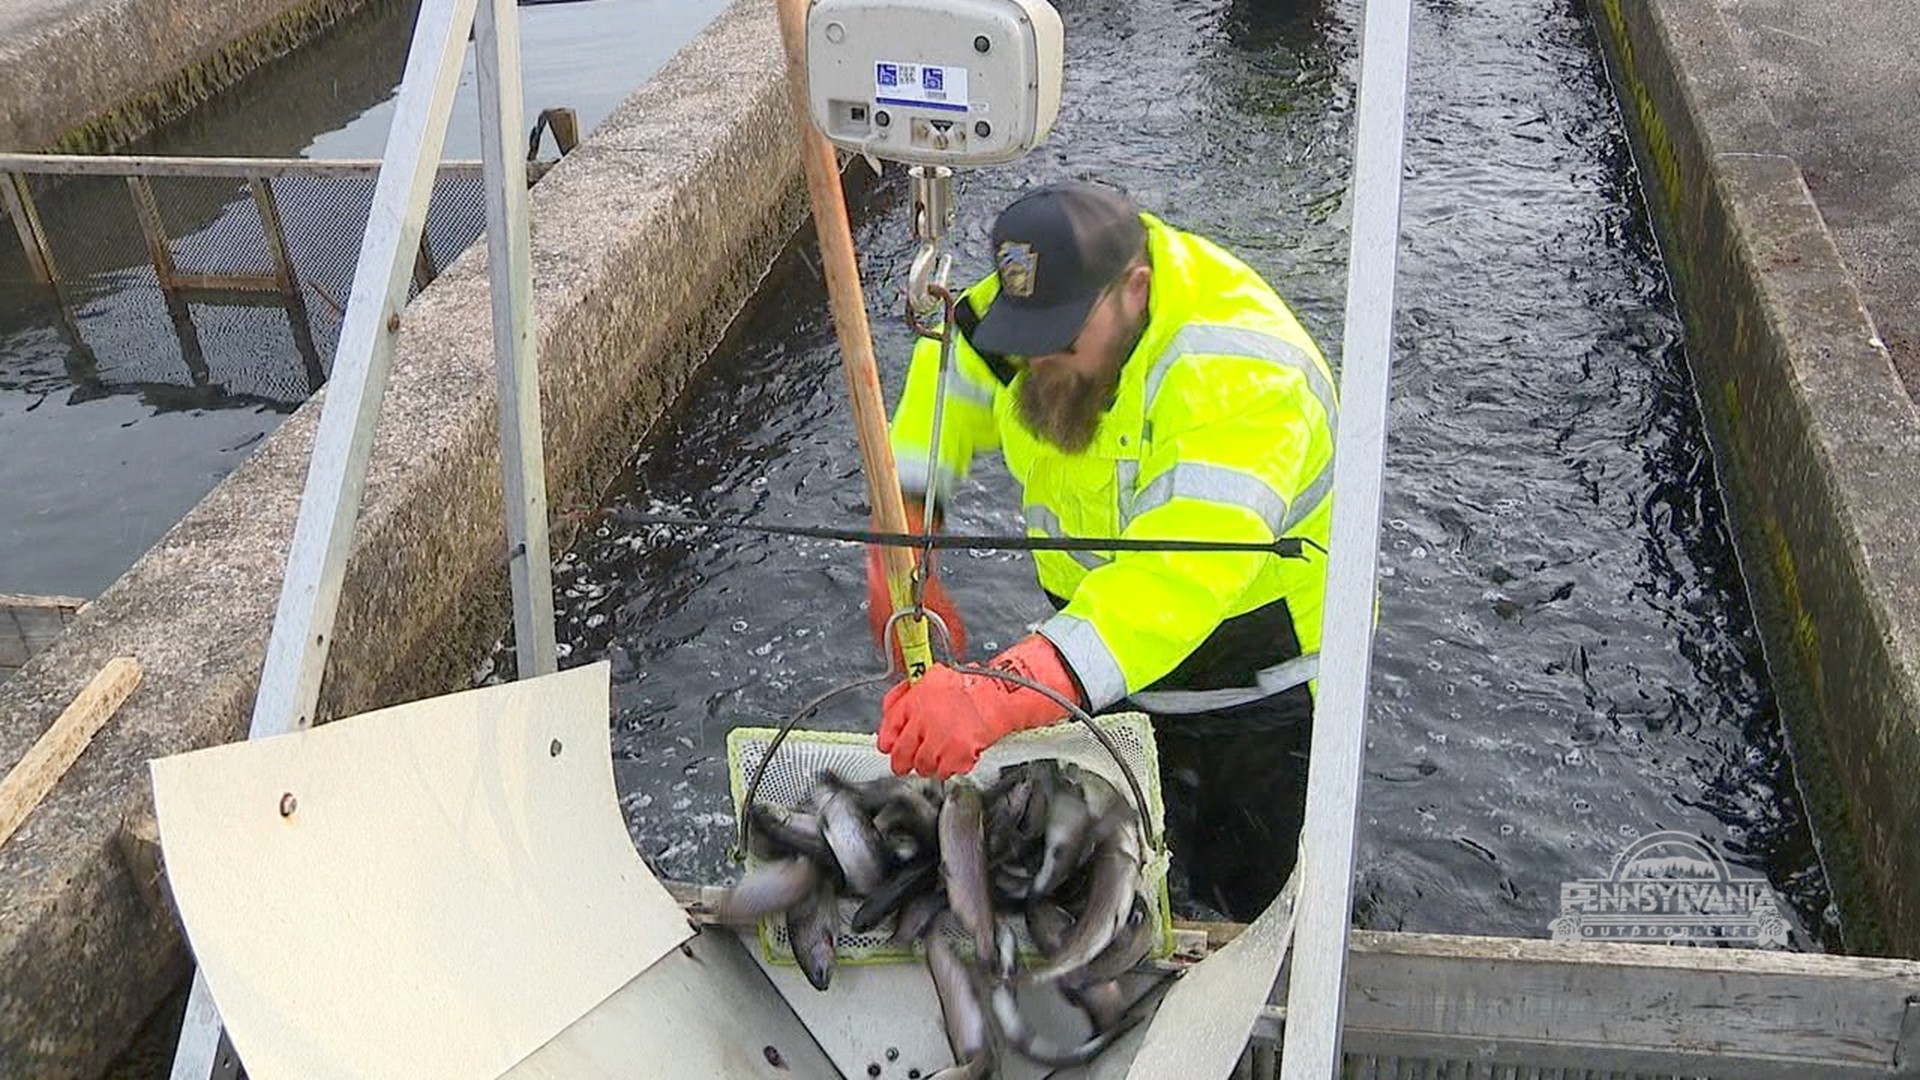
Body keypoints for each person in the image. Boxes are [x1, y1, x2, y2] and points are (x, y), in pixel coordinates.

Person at [865, 181, 1337, 921]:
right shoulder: (1035, 302)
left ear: (1134, 290)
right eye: (1027, 338)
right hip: (1097, 671)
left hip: (1254, 689)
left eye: (1061, 338)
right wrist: (900, 542)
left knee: (1251, 905)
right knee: (1110, 880)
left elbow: (1177, 578)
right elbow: (948, 380)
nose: (1039, 359)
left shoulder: (1238, 372)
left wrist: (995, 693)